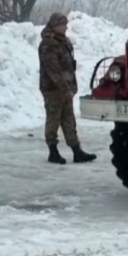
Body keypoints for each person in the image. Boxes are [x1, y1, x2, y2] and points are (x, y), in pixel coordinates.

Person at [38, 13, 96, 165]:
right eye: (62, 25)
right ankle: (53, 151)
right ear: (55, 26)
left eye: (65, 24)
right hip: (53, 89)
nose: (65, 27)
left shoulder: (63, 41)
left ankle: (76, 151)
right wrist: (64, 87)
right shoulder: (48, 44)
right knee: (53, 119)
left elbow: (68, 65)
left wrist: (70, 87)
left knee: (69, 119)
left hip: (66, 88)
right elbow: (53, 70)